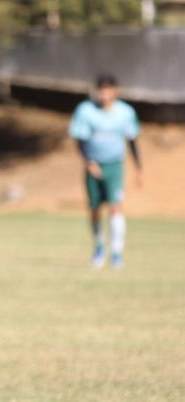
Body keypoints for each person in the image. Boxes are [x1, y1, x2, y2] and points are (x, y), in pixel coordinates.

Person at [69, 74, 141, 269]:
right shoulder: (85, 111)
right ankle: (99, 248)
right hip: (93, 165)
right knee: (94, 209)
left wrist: (139, 168)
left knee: (115, 207)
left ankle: (117, 252)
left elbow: (132, 139)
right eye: (101, 90)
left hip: (114, 165)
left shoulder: (126, 112)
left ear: (115, 91)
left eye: (108, 89)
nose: (105, 94)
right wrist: (88, 162)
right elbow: (79, 140)